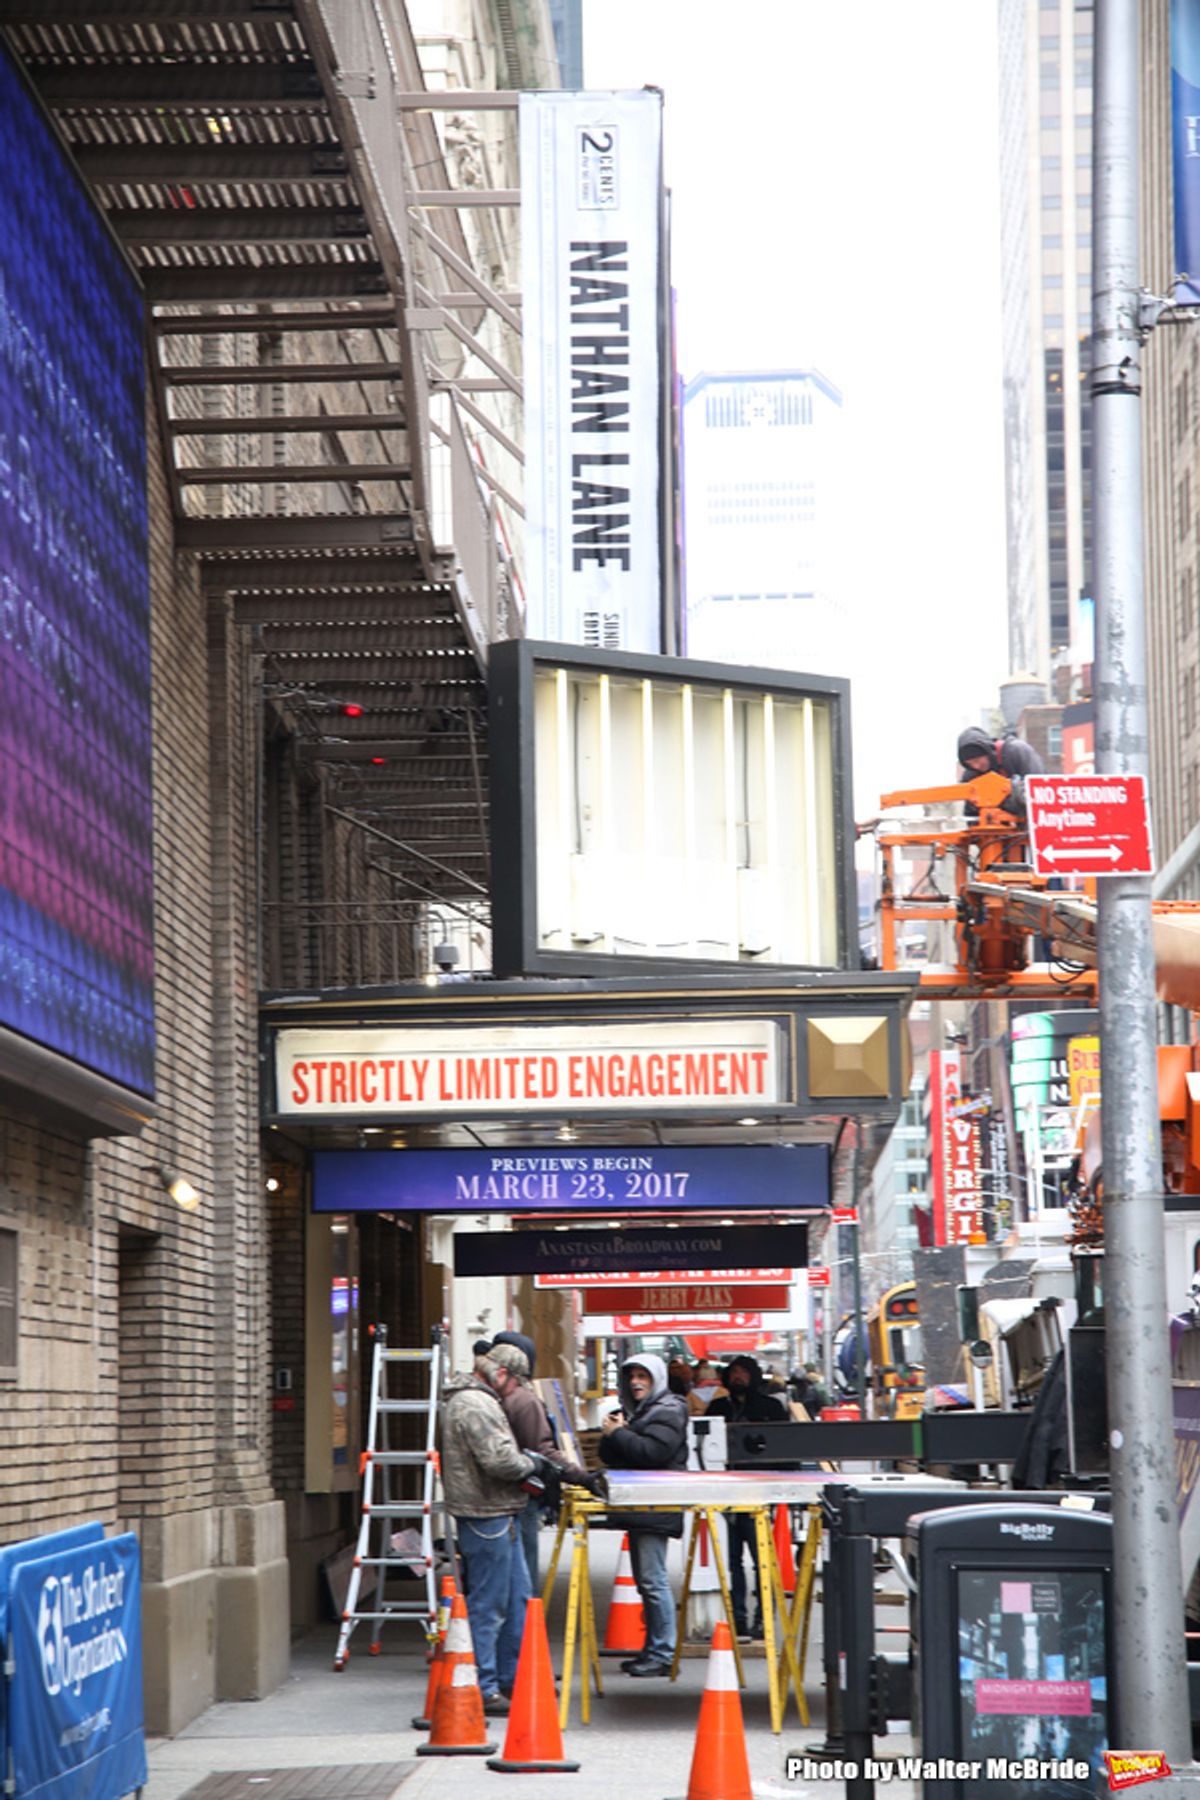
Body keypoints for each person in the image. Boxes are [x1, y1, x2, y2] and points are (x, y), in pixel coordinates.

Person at [440, 1349, 549, 1714]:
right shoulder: (475, 1404)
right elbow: (500, 1460)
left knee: (516, 1600)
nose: (515, 1390)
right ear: (502, 1373)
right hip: (486, 1514)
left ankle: (509, 1679)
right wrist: (532, 1463)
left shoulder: (478, 1399)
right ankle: (484, 1685)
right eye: (516, 1382)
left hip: (499, 1511)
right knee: (491, 1604)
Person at [597, 1352, 689, 1677]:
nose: (636, 1382)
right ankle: (653, 1649)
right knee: (646, 1582)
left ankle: (662, 1653)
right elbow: (612, 1454)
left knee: (653, 1580)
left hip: (656, 1505)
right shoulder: (639, 1412)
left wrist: (619, 1434)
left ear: (657, 1379)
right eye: (632, 1376)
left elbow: (652, 1453)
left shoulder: (668, 1410)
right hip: (644, 1506)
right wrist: (614, 1432)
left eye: (644, 1376)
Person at [482, 1339, 597, 1589]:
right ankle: (523, 1621)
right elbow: (544, 1451)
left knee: (514, 1570)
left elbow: (540, 1451)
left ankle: (522, 1621)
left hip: (510, 1498)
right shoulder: (517, 1401)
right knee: (519, 1570)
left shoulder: (510, 1401)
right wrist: (582, 1477)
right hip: (515, 1497)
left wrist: (580, 1477)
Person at [706, 1355, 789, 1638]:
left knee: (762, 1561)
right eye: (734, 1372)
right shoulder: (717, 1407)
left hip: (759, 1495)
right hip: (725, 1496)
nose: (738, 1377)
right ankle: (737, 1617)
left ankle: (763, 1618)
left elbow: (785, 1450)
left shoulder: (771, 1407)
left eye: (744, 1372)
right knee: (731, 1563)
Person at [956, 726, 1045, 817]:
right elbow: (971, 815)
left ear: (988, 752)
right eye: (970, 764)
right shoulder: (971, 776)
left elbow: (1040, 789)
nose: (976, 766)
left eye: (978, 760)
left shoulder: (1017, 752)